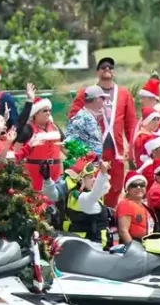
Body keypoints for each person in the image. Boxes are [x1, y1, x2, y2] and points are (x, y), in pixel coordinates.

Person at [69, 57, 137, 208]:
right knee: (91, 181)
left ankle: (110, 213)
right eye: (103, 67)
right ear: (97, 72)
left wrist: (131, 148)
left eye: (110, 67)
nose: (107, 69)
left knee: (116, 183)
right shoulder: (86, 93)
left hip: (115, 149)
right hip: (92, 149)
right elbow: (73, 118)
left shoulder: (124, 94)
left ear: (114, 72)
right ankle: (94, 213)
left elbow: (131, 124)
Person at [61, 157, 112, 246]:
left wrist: (104, 173)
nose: (94, 179)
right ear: (81, 180)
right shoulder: (82, 198)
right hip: (90, 248)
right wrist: (102, 174)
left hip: (90, 248)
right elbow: (96, 193)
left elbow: (104, 187)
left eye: (94, 176)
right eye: (90, 177)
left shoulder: (81, 194)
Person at [15, 96, 61, 195]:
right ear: (35, 113)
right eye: (45, 111)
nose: (48, 113)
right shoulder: (28, 129)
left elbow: (66, 147)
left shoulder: (55, 127)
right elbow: (16, 151)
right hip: (35, 173)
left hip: (56, 172)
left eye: (49, 110)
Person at [115, 174, 154, 245]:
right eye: (134, 185)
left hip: (146, 245)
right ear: (128, 189)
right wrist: (133, 250)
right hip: (133, 247)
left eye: (142, 185)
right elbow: (123, 231)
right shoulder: (126, 204)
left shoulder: (145, 207)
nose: (139, 187)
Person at [65, 86, 104, 154]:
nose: (104, 101)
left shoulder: (91, 118)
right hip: (85, 163)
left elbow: (94, 145)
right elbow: (70, 144)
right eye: (103, 98)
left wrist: (99, 162)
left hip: (94, 163)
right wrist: (92, 160)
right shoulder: (80, 119)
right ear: (96, 100)